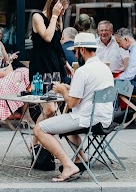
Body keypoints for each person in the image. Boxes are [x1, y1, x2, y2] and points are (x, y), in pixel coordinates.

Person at [32, 32, 114, 183]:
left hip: (87, 119)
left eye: (75, 52)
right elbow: (89, 92)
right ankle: (80, 159)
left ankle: (68, 165)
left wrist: (63, 90)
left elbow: (71, 104)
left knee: (39, 129)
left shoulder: (82, 71)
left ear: (81, 50)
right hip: (105, 119)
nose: (75, 55)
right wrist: (70, 88)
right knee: (67, 124)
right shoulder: (104, 68)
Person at [29, 0, 73, 83]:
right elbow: (48, 37)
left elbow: (57, 45)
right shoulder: (37, 17)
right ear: (54, 6)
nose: (63, 13)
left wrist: (65, 63)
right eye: (62, 9)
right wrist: (54, 15)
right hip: (40, 61)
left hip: (55, 61)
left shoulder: (58, 20)